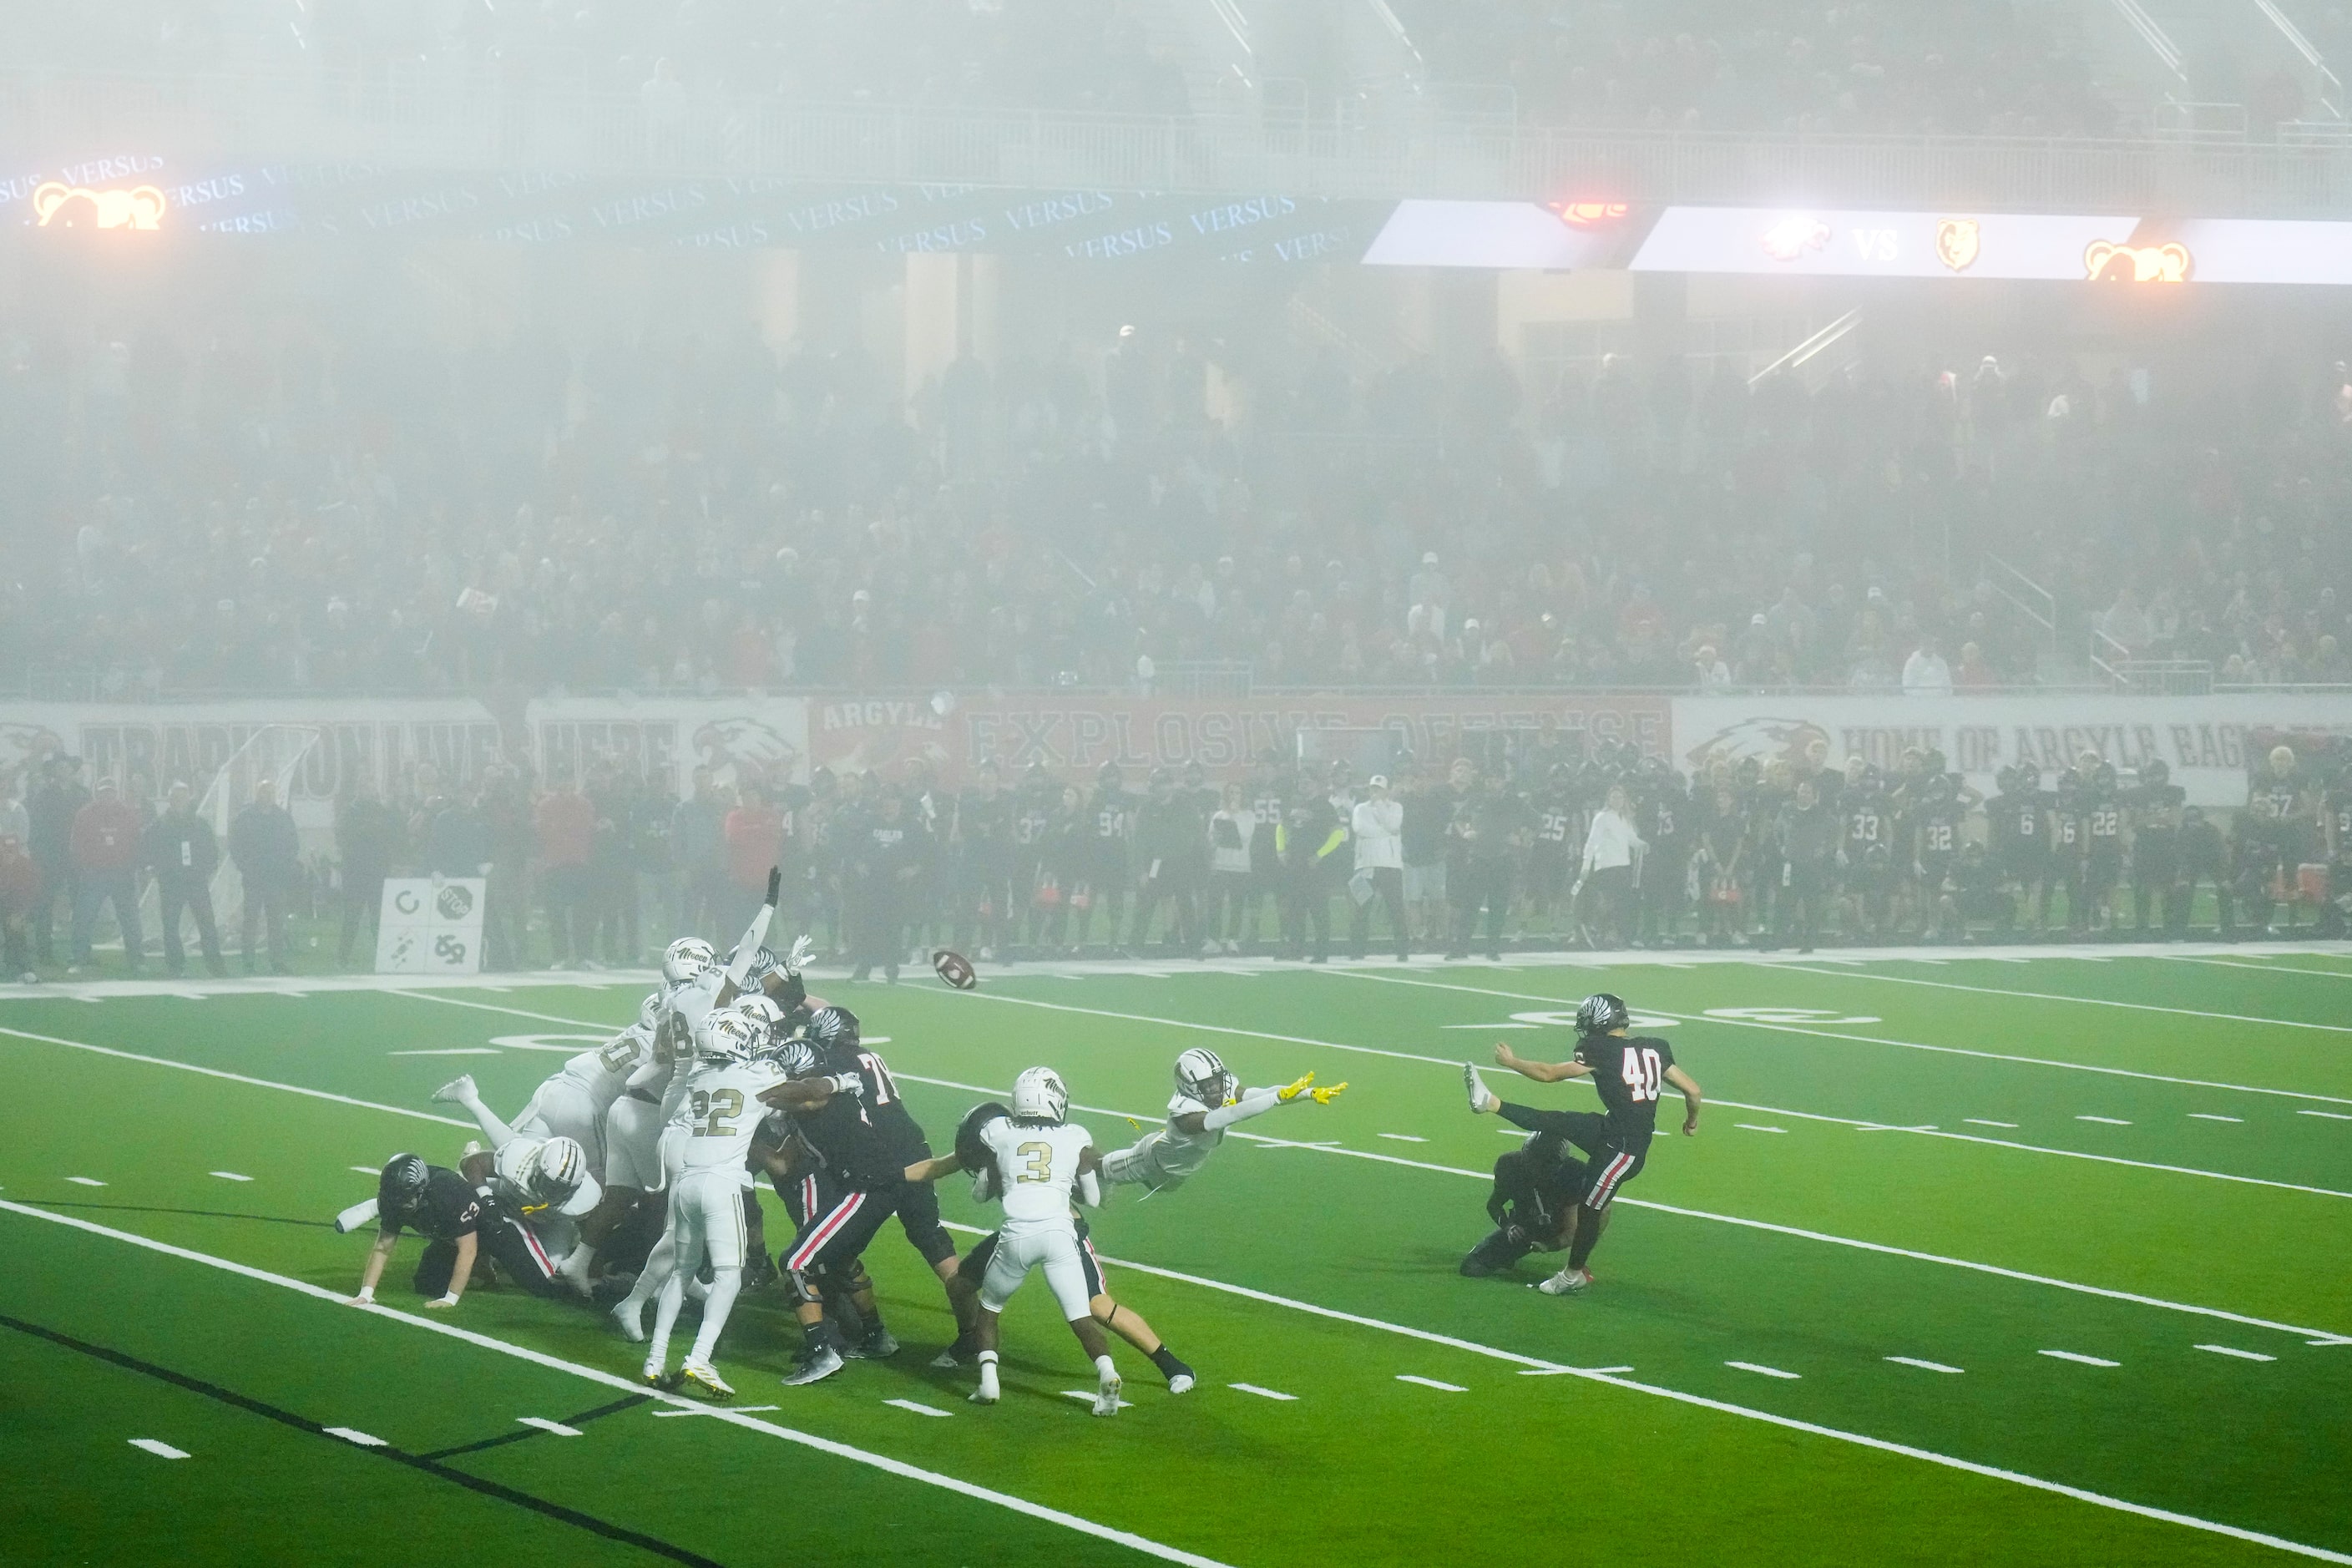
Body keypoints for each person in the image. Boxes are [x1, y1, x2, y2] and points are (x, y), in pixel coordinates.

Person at [903, 1067, 1125, 1415]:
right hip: (1061, 1233)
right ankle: (1107, 1372)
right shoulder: (1075, 1135)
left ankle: (989, 1383)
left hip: (1018, 1234)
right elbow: (1094, 1200)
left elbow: (980, 1194)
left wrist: (995, 1173)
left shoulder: (997, 1132)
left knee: (989, 1312)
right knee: (1080, 1315)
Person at [1465, 991, 1701, 1294]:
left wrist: (1511, 1062)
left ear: (1599, 1021)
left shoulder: (1601, 1048)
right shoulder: (1655, 1048)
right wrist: (1691, 1121)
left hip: (1623, 1150)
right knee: (1557, 1122)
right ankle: (1491, 1102)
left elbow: (1550, 1074)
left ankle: (1572, 1274)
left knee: (1591, 1207)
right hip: (1612, 1130)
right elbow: (1693, 1091)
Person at [637, 1010, 787, 1400]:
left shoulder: (699, 1076)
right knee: (728, 1277)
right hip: (721, 1184)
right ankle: (700, 1357)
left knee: (681, 1274)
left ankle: (654, 1359)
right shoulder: (759, 1074)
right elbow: (787, 1093)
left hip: (687, 1179)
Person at [1098, 1047, 1343, 1198]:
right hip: (1155, 1162)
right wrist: (1277, 1098)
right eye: (1208, 1085)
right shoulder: (1184, 1114)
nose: (1216, 1089)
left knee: (1118, 1182)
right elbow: (1227, 1116)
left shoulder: (1217, 1091)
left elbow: (1256, 1094)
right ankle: (1072, 1175)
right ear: (1189, 1085)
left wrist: (1307, 1094)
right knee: (1103, 1170)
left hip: (1179, 1170)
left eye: (1217, 1081)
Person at [144, 781, 225, 977]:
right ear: (170, 800)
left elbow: (212, 851)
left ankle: (216, 966)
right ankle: (175, 966)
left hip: (196, 881)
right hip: (171, 882)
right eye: (175, 798)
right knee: (171, 926)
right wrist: (157, 869)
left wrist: (207, 868)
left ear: (189, 800)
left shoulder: (200, 824)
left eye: (183, 797)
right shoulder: (159, 825)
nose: (179, 801)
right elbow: (148, 850)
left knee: (207, 924)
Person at [68, 778, 144, 972]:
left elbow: (137, 841)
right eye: (103, 792)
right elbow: (77, 844)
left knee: (130, 918)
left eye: (110, 792)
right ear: (97, 794)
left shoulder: (128, 813)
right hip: (94, 874)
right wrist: (85, 867)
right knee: (84, 917)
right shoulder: (85, 814)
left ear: (115, 793)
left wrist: (132, 866)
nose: (107, 796)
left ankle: (137, 960)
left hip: (122, 873)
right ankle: (79, 959)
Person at [228, 781, 301, 975]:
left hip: (276, 879)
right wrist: (245, 866)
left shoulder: (283, 818)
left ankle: (277, 962)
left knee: (276, 922)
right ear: (257, 794)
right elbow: (235, 845)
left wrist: (285, 868)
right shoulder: (245, 818)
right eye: (263, 792)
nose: (267, 796)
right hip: (253, 879)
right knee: (250, 921)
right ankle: (248, 963)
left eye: (270, 792)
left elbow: (293, 845)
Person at [334, 778, 402, 967]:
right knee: (352, 917)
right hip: (355, 872)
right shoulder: (349, 812)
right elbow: (342, 837)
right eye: (366, 788)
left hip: (377, 872)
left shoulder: (382, 812)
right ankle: (342, 958)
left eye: (372, 788)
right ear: (359, 790)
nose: (370, 792)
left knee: (378, 918)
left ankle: (384, 957)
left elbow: (393, 835)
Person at [1572, 781, 1642, 951]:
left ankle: (1610, 936)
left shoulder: (1624, 819)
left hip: (1623, 866)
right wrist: (1586, 867)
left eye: (1621, 797)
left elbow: (1631, 839)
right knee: (1608, 902)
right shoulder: (1602, 817)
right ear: (1609, 799)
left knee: (1619, 904)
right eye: (1614, 797)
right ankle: (1595, 929)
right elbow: (1591, 842)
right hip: (1607, 866)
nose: (1618, 800)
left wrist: (1643, 844)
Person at [535, 779, 597, 968]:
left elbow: (586, 829)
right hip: (554, 864)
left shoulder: (584, 804)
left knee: (583, 914)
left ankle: (584, 956)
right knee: (556, 914)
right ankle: (560, 956)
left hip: (579, 863)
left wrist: (563, 827)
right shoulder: (546, 805)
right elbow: (545, 832)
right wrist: (568, 828)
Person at [1348, 773, 1409, 961]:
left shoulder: (1396, 807)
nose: (1375, 792)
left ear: (1387, 791)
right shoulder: (1360, 808)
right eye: (1373, 788)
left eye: (1379, 789)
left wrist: (1381, 807)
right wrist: (1385, 832)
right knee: (1360, 909)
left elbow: (1393, 824)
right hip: (1365, 865)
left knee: (1396, 909)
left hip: (1390, 866)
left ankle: (1402, 951)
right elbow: (1360, 829)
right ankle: (1357, 951)